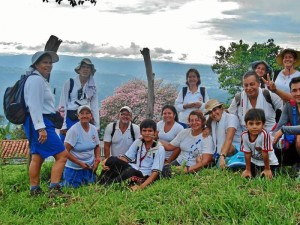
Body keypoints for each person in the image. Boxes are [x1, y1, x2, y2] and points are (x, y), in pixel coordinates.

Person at [23, 51, 68, 196]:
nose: (48, 65)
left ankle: (34, 189)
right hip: (40, 122)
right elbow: (34, 105)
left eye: (50, 62)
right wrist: (41, 128)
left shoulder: (38, 79)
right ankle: (54, 188)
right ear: (36, 64)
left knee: (38, 156)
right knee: (62, 155)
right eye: (45, 62)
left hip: (38, 121)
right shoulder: (36, 80)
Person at [98, 119, 165, 191]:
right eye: (144, 131)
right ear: (141, 132)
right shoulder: (139, 142)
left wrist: (141, 187)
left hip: (143, 176)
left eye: (150, 131)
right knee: (112, 159)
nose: (147, 133)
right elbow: (126, 158)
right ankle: (99, 182)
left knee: (130, 171)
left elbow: (155, 173)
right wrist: (109, 161)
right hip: (134, 168)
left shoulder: (159, 148)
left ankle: (108, 185)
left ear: (154, 133)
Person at [228, 70, 283, 139]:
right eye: (246, 85)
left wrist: (280, 129)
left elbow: (285, 107)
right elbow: (230, 116)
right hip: (247, 140)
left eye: (252, 84)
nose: (249, 88)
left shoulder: (267, 94)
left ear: (258, 83)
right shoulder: (238, 98)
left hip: (270, 137)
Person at [160, 110, 214, 175]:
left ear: (202, 121)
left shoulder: (206, 137)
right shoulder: (184, 132)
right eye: (191, 120)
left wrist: (187, 169)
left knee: (170, 175)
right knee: (161, 171)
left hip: (192, 167)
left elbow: (205, 161)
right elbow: (169, 146)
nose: (194, 123)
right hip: (179, 162)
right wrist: (154, 140)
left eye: (197, 120)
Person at [58, 58, 100, 142]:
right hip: (71, 117)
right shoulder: (70, 83)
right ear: (79, 69)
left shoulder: (92, 87)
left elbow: (94, 106)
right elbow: (63, 104)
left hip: (86, 117)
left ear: (91, 70)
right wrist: (63, 125)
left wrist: (96, 125)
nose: (85, 69)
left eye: (88, 68)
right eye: (83, 67)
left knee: (83, 142)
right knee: (67, 142)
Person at [62, 105, 101, 188]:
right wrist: (79, 163)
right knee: (72, 188)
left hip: (89, 167)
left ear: (91, 116)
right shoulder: (73, 130)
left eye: (87, 113)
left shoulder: (94, 129)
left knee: (90, 187)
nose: (85, 116)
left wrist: (97, 159)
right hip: (74, 168)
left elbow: (97, 146)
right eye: (82, 113)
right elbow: (65, 151)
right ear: (78, 116)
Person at [204, 99, 244, 169]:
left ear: (221, 109)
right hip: (220, 152)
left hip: (235, 150)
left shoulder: (231, 118)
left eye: (215, 110)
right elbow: (207, 122)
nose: (213, 113)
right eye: (210, 112)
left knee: (227, 148)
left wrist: (222, 156)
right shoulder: (214, 122)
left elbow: (229, 139)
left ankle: (230, 162)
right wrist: (207, 127)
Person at [241, 108, 279, 179]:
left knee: (266, 179)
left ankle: (269, 170)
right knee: (248, 177)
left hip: (269, 163)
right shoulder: (244, 135)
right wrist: (247, 170)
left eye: (258, 123)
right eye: (251, 124)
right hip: (255, 162)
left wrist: (267, 169)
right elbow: (247, 153)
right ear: (246, 124)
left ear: (263, 124)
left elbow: (265, 153)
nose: (254, 127)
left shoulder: (264, 135)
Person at [272, 77, 300, 167]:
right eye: (294, 90)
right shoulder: (289, 106)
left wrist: (284, 130)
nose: (298, 93)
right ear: (291, 92)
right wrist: (269, 140)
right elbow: (279, 127)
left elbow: (283, 129)